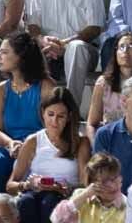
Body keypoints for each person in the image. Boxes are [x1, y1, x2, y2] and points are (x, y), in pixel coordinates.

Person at [25, 0, 104, 104]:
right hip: (49, 49)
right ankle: (37, 109)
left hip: (82, 50)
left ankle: (71, 107)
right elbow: (33, 25)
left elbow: (95, 27)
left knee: (76, 48)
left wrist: (64, 44)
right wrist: (42, 40)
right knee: (28, 48)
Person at [0, 31, 57, 191]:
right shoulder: (2, 89)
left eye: (4, 52)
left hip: (39, 149)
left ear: (20, 56)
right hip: (11, 149)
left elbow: (56, 125)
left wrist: (28, 147)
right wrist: (11, 143)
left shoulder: (46, 86)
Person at [7, 87, 89, 223]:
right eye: (50, 114)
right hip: (34, 193)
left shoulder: (81, 142)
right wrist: (27, 185)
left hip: (65, 197)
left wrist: (62, 188)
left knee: (50, 202)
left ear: (69, 117)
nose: (54, 121)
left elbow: (84, 185)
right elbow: (10, 185)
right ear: (43, 113)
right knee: (26, 202)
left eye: (60, 116)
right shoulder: (33, 141)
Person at [46, 152, 125, 223]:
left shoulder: (129, 205)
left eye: (114, 178)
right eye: (105, 181)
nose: (112, 186)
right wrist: (84, 196)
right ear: (92, 183)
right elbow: (56, 219)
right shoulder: (82, 196)